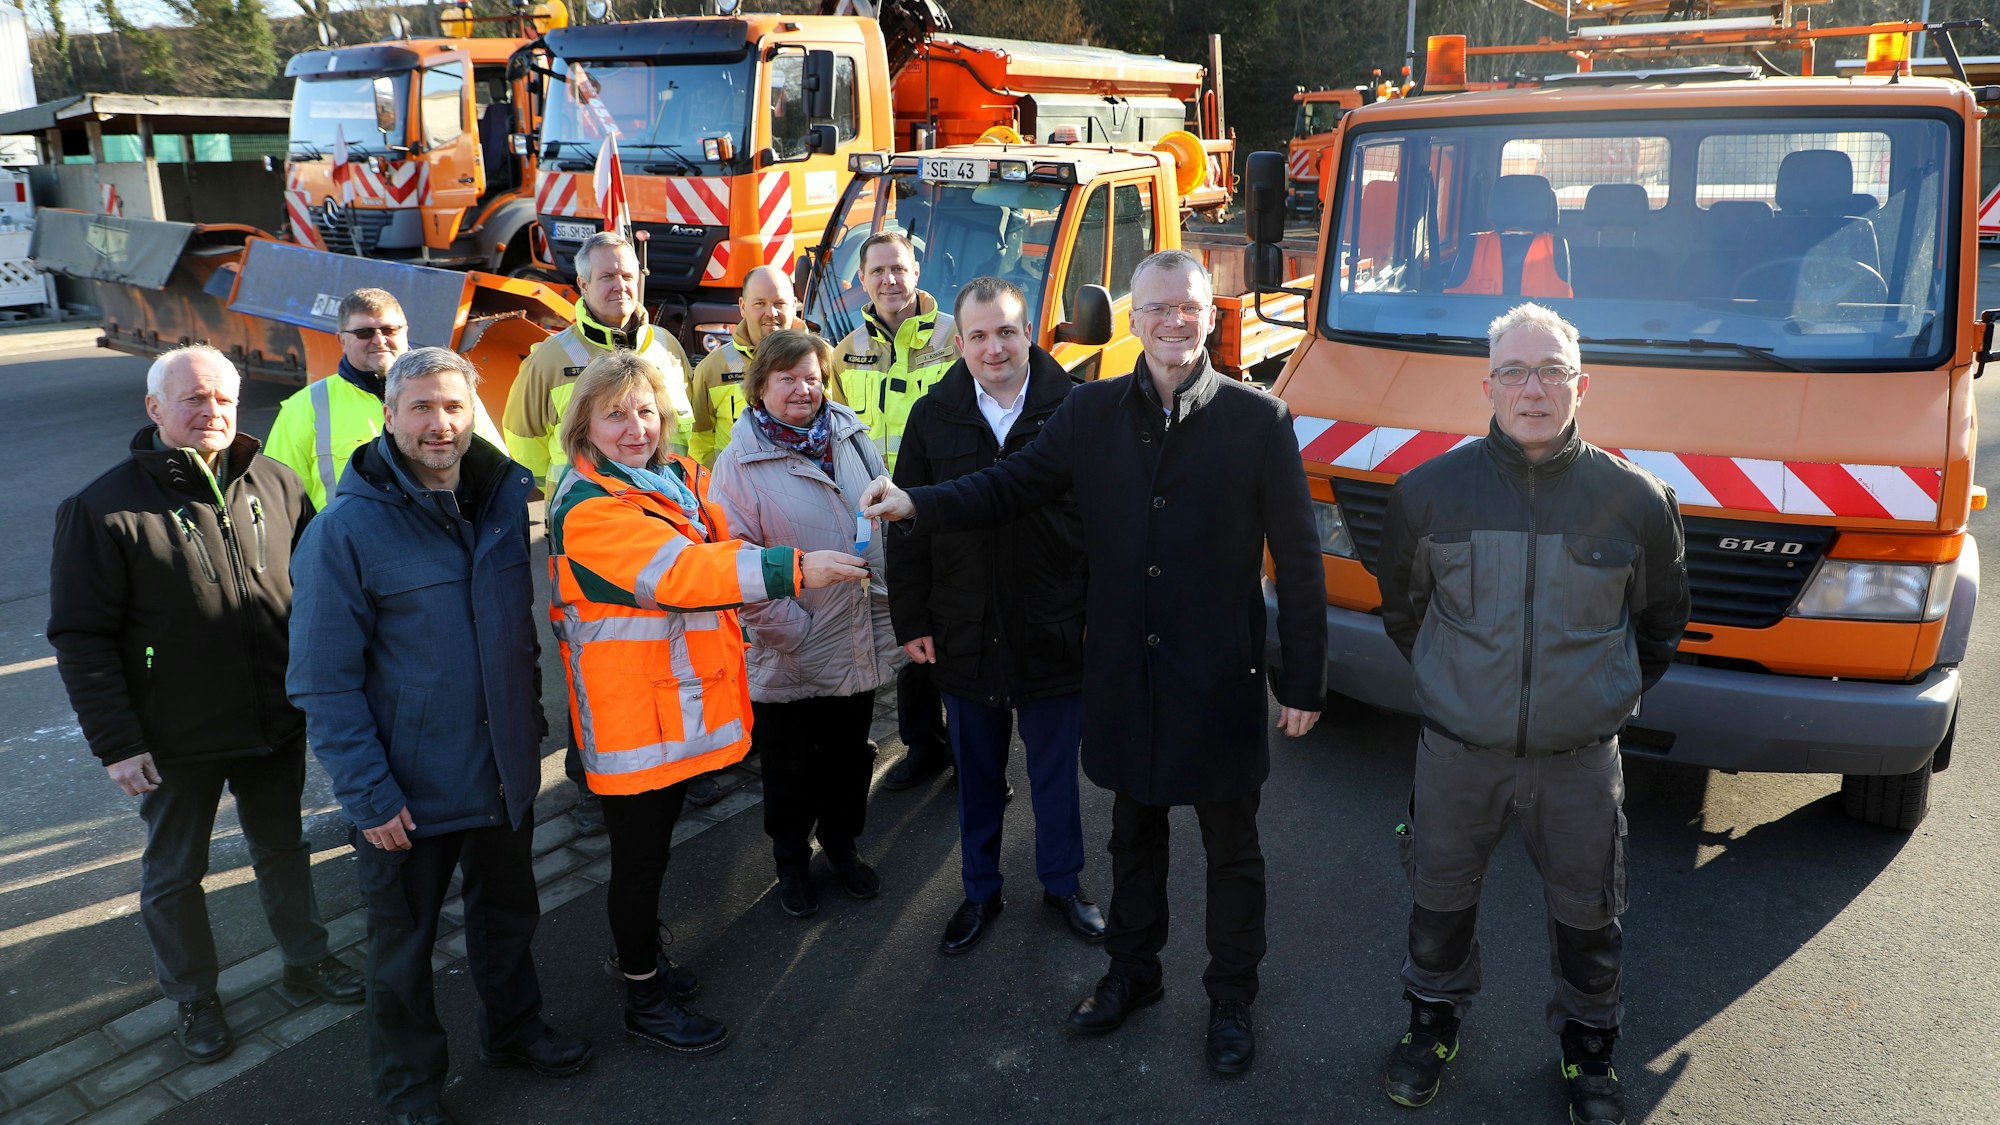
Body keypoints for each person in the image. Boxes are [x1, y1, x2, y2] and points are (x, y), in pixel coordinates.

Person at [861, 251, 1327, 1075]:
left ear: (1208, 315)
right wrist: (918, 503)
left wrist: (1304, 678)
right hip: (1126, 678)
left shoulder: (1260, 420)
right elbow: (1008, 486)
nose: (1173, 322)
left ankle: (1230, 998)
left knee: (1232, 850)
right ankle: (1132, 973)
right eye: (1157, 309)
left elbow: (1298, 556)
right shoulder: (1090, 412)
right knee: (1133, 838)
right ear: (1134, 318)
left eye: (1187, 308)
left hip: (1218, 681)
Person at [1374, 303, 1688, 1125]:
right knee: (1438, 903)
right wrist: (1461, 693)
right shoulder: (1427, 493)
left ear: (1582, 384)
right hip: (1457, 755)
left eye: (1551, 370)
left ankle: (1590, 1052)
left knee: (1591, 918)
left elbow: (1658, 628)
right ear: (1487, 384)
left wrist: (1589, 702)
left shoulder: (1637, 500)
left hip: (1579, 761)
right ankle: (1430, 1026)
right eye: (1514, 370)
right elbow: (1408, 614)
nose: (1533, 388)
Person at [290, 348, 590, 1125]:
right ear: (389, 415)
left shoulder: (498, 503)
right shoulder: (344, 531)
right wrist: (367, 795)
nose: (439, 424)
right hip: (406, 793)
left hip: (498, 772)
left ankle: (514, 1031)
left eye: (453, 407)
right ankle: (411, 1090)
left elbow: (514, 641)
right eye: (420, 407)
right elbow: (323, 680)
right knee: (401, 956)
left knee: (509, 918)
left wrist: (527, 741)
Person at [48, 346, 363, 1065]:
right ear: (155, 409)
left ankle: (305, 959)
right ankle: (193, 996)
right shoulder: (102, 508)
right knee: (173, 872)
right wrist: (117, 741)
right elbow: (80, 635)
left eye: (222, 396)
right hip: (172, 735)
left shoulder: (277, 483)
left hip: (273, 719)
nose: (211, 410)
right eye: (191, 399)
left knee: (283, 847)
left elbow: (316, 596)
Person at [547, 350, 866, 1054]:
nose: (636, 427)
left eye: (645, 410)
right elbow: (687, 573)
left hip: (665, 707)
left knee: (649, 858)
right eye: (616, 414)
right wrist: (795, 568)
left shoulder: (669, 483)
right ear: (584, 428)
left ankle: (643, 959)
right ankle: (642, 994)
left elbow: (725, 537)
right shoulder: (590, 508)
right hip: (632, 718)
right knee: (639, 862)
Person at [885, 277, 1103, 955]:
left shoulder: (1076, 409)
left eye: (1006, 330)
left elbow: (1103, 527)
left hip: (1052, 626)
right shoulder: (932, 416)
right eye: (977, 334)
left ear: (1029, 331)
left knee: (1052, 772)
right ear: (958, 341)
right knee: (976, 774)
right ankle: (980, 890)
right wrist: (911, 620)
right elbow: (907, 525)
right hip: (963, 627)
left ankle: (1063, 882)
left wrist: (1098, 616)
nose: (993, 347)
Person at [504, 230, 695, 837]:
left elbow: (682, 430)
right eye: (606, 277)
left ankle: (678, 757)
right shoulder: (550, 356)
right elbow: (522, 437)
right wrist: (567, 492)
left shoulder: (665, 346)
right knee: (595, 656)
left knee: (669, 644)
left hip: (667, 521)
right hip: (590, 534)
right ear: (581, 286)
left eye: (628, 276)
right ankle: (590, 773)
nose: (620, 286)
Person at [712, 329, 904, 920]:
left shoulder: (848, 432)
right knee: (790, 765)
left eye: (813, 376)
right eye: (787, 378)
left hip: (855, 631)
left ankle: (842, 847)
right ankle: (791, 861)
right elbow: (734, 563)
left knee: (849, 755)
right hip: (789, 640)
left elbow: (881, 507)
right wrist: (788, 629)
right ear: (761, 385)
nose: (803, 389)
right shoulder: (738, 459)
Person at [827, 231, 958, 792]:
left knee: (964, 626)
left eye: (898, 268)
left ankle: (979, 754)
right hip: (884, 516)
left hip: (950, 505)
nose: (889, 280)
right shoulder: (845, 350)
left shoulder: (954, 334)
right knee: (910, 628)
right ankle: (924, 745)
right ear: (861, 279)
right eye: (877, 271)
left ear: (916, 271)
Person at [264, 287, 506, 510]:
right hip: (348, 550)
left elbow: (496, 471)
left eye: (389, 330)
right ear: (341, 340)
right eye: (364, 332)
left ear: (405, 332)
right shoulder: (304, 407)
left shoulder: (456, 392)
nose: (379, 340)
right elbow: (278, 498)